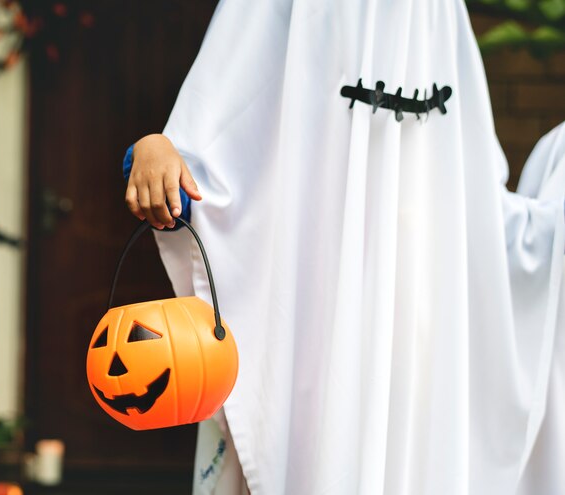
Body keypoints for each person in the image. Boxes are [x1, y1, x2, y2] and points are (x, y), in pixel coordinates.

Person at [124, 0, 565, 493]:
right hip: (313, 295)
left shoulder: (439, 11)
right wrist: (163, 155)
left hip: (416, 316)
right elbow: (217, 142)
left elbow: (477, 208)